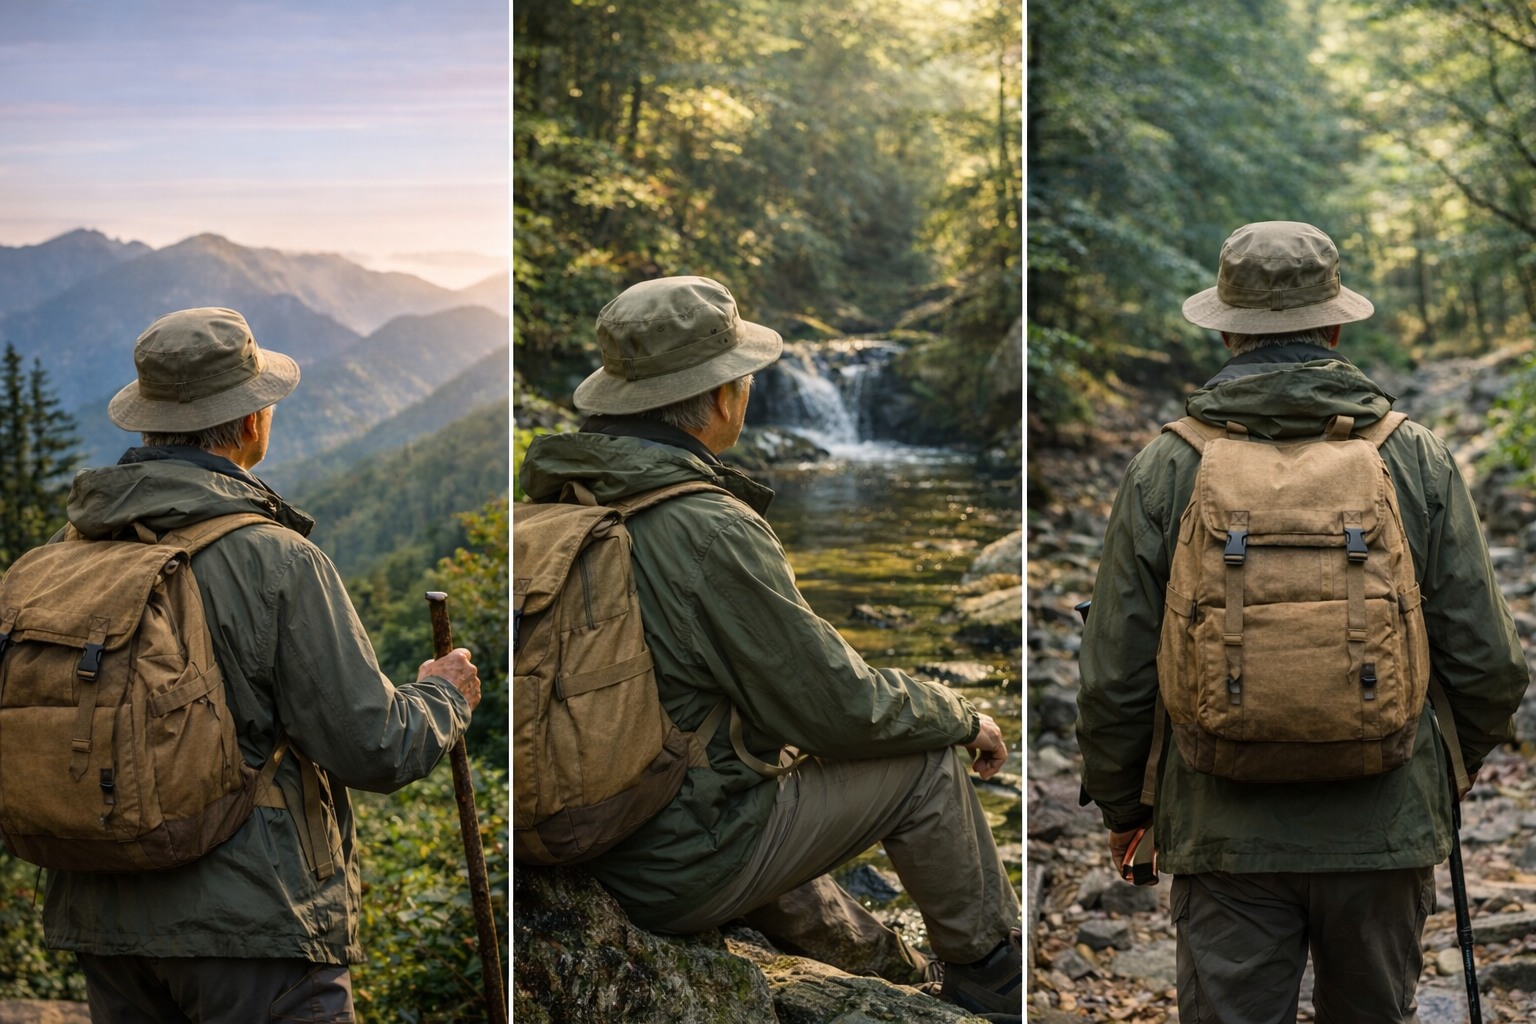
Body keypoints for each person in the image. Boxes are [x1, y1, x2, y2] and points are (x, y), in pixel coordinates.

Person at [517, 275, 1021, 1016]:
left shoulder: (559, 502)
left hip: (591, 835)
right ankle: (995, 981)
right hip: (666, 862)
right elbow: (835, 706)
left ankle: (891, 967)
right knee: (924, 764)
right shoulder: (708, 527)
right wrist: (960, 714)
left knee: (755, 769)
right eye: (743, 376)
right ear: (721, 398)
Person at [1077, 222, 1530, 1023]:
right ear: (1335, 327)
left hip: (1222, 831)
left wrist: (1127, 810)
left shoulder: (1168, 466)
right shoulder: (1413, 456)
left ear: (1227, 331)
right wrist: (1444, 769)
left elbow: (1115, 672)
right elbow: (1490, 662)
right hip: (1385, 823)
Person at [42, 308, 481, 1022]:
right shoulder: (276, 560)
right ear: (251, 423)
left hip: (104, 922)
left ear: (148, 424)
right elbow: (374, 746)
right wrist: (445, 696)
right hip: (253, 930)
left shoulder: (65, 553)